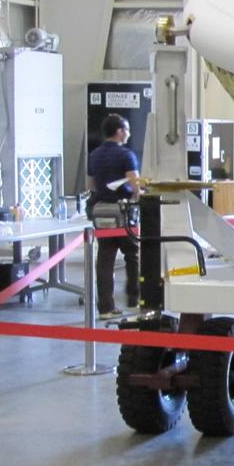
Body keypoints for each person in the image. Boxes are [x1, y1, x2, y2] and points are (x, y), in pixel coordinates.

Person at [86, 113, 140, 319]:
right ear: (119, 132)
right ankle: (135, 300)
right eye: (126, 129)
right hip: (122, 211)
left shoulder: (94, 155)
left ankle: (106, 308)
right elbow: (135, 185)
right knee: (133, 254)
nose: (128, 133)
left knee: (105, 259)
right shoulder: (127, 155)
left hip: (101, 211)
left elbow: (90, 185)